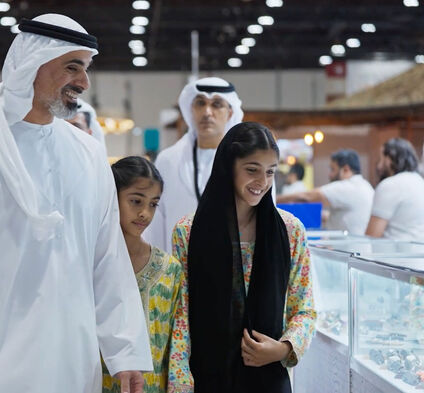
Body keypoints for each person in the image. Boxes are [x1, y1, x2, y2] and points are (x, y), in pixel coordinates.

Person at [0, 14, 152, 393]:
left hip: (73, 363)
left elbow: (107, 259)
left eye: (86, 68)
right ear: (31, 64)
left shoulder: (87, 152)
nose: (83, 82)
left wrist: (125, 351)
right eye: (72, 67)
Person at [172, 122, 316, 392]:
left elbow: (304, 308)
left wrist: (283, 349)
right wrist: (180, 383)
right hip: (207, 377)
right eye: (252, 170)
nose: (262, 182)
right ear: (228, 167)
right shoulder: (188, 232)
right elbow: (181, 314)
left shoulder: (290, 230)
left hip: (268, 379)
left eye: (270, 172)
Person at [103, 156, 193, 393]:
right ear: (112, 197)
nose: (144, 213)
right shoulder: (94, 265)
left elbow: (178, 343)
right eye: (135, 201)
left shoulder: (169, 270)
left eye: (153, 204)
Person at [144, 77, 244, 253]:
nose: (207, 112)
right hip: (178, 268)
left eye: (217, 104)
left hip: (232, 267)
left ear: (230, 113)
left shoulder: (246, 162)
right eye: (200, 103)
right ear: (191, 110)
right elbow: (157, 221)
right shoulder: (168, 160)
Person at [277, 149, 374, 234]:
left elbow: (307, 197)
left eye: (333, 169)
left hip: (347, 250)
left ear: (345, 169)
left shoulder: (348, 187)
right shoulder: (366, 186)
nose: (330, 175)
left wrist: (275, 199)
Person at [366, 138, 424, 241]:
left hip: (391, 255)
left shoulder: (390, 185)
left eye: (381, 159)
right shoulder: (420, 182)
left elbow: (372, 235)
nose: (379, 166)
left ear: (388, 159)